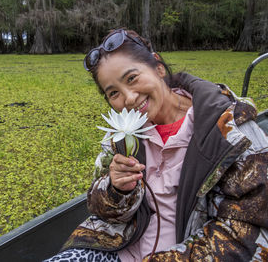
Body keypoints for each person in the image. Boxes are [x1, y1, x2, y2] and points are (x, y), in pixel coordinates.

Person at [44, 29, 268, 262]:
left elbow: (250, 234)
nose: (128, 98)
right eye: (113, 93)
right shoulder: (121, 135)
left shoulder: (231, 131)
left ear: (158, 67)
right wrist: (117, 190)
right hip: (118, 250)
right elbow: (100, 209)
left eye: (131, 78)